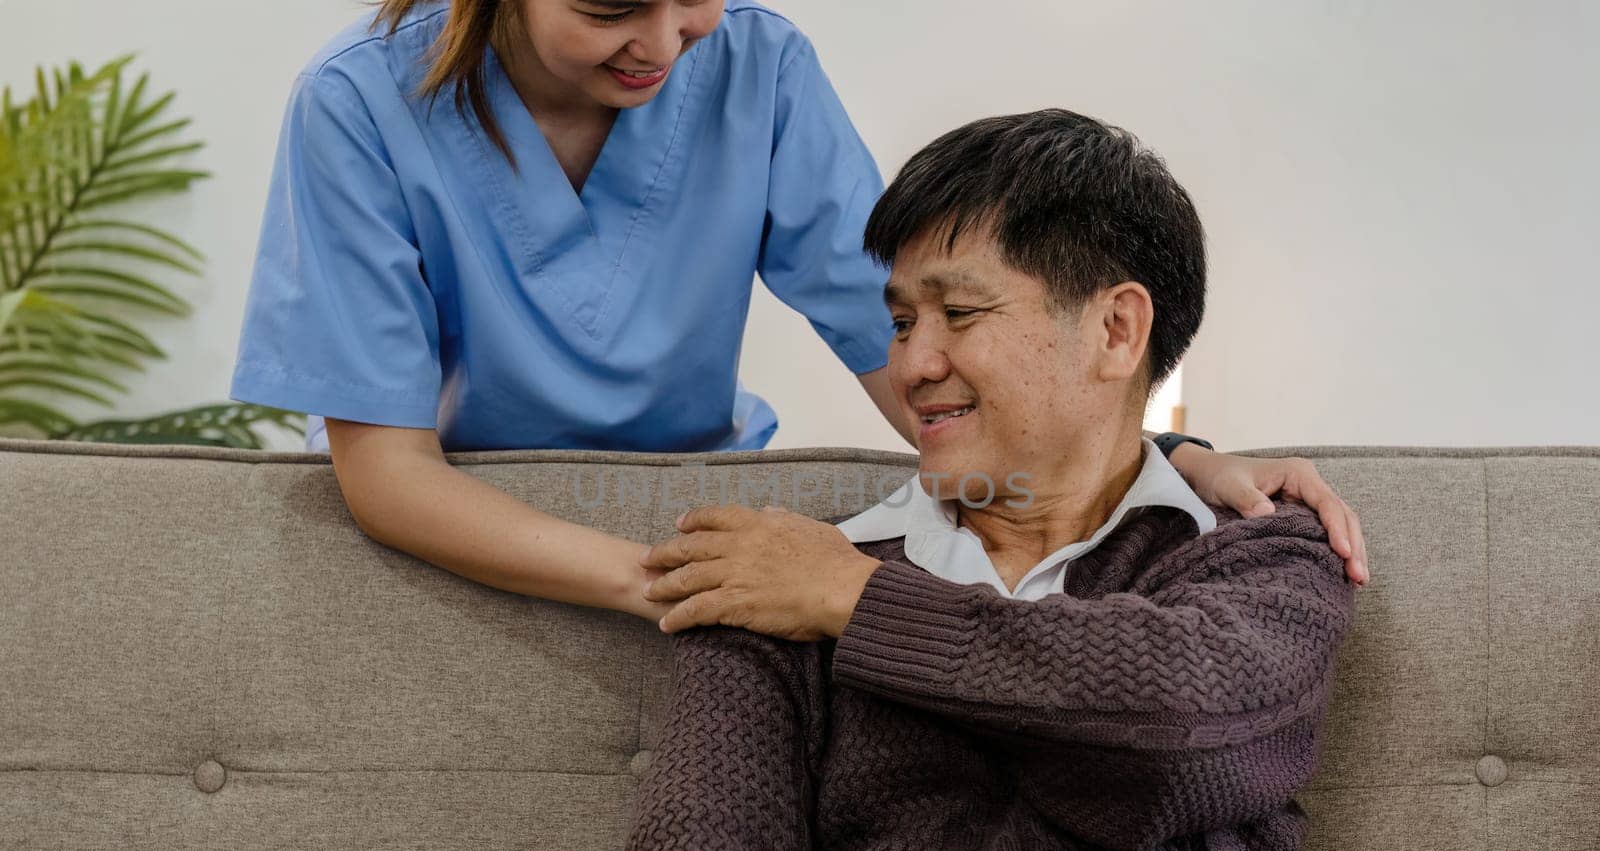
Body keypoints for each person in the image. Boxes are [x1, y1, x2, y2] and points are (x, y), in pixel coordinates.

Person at [229, 0, 1368, 631]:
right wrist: (667, 583)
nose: (668, 42)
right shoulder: (358, 106)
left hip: (701, 515)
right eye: (611, 7)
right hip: (480, 531)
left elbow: (920, 345)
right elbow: (384, 472)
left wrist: (1162, 458)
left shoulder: (758, 65)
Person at [626, 109, 1357, 851]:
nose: (911, 367)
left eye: (961, 312)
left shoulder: (1265, 554)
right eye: (901, 324)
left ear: (1117, 330)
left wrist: (859, 603)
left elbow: (1175, 731)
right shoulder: (770, 584)